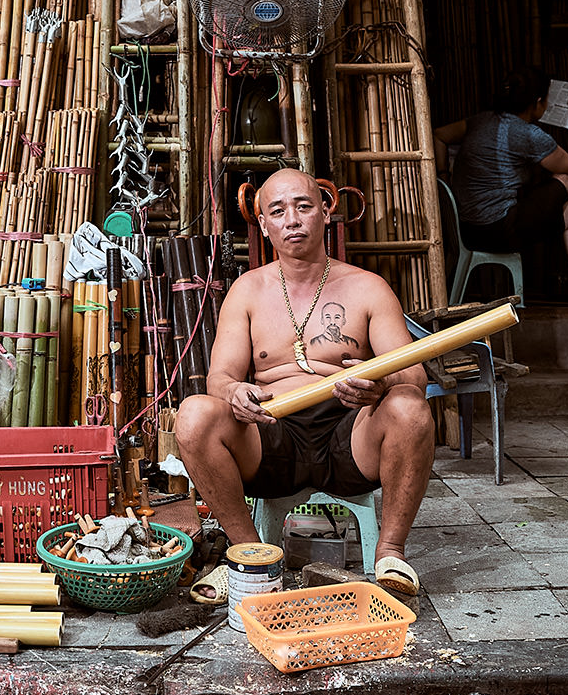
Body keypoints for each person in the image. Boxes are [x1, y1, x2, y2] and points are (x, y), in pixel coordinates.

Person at [174, 168, 434, 597]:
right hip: (272, 436)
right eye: (277, 211)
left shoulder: (368, 288)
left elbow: (414, 374)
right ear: (263, 224)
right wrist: (235, 391)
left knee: (408, 403)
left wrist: (381, 383)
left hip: (350, 433)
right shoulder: (247, 291)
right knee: (194, 414)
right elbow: (219, 377)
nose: (292, 219)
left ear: (325, 212)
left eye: (303, 206)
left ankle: (390, 552)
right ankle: (249, 555)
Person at [433, 66, 568, 276]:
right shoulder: (528, 134)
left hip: (464, 229)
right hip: (497, 231)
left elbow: (438, 136)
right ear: (538, 101)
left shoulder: (480, 120)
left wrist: (444, 177)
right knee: (564, 180)